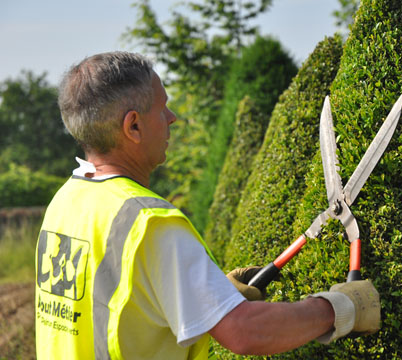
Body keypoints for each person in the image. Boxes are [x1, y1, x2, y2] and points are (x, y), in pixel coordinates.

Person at [35, 51, 380, 359]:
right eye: (162, 107)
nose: (171, 118)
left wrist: (209, 297)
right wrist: (339, 307)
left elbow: (121, 306)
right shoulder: (149, 223)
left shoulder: (66, 201)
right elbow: (245, 332)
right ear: (134, 125)